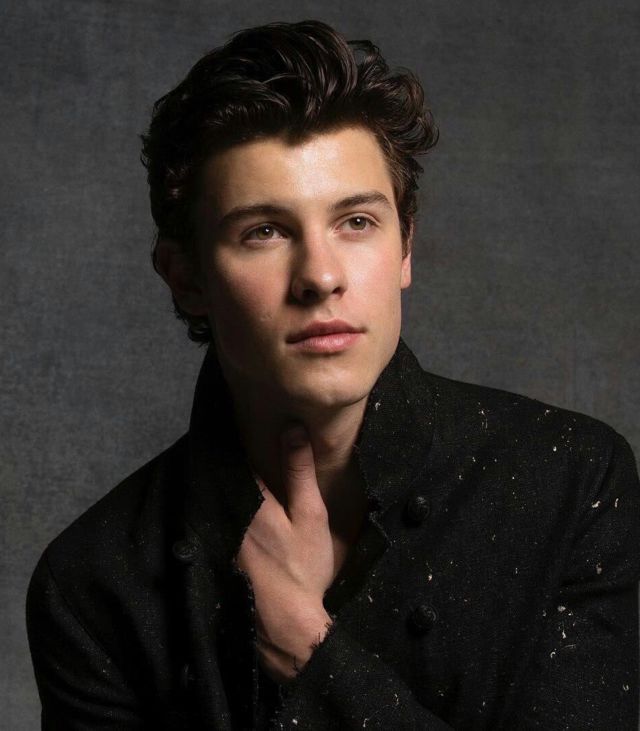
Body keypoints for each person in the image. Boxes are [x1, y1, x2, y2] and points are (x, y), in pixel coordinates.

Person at [26, 19, 640, 730]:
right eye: (264, 231)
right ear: (186, 276)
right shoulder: (94, 586)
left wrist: (310, 652)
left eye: (356, 222)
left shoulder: (573, 483)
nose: (320, 276)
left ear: (405, 248)